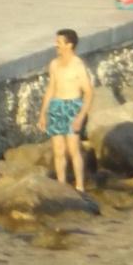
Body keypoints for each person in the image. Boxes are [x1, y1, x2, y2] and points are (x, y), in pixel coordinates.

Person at [39, 29, 94, 192]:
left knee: (73, 149)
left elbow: (89, 92)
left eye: (59, 42)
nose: (56, 45)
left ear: (69, 45)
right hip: (56, 105)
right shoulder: (54, 64)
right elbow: (50, 89)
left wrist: (80, 116)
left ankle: (79, 185)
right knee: (58, 150)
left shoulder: (78, 66)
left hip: (72, 106)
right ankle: (61, 184)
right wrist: (43, 113)